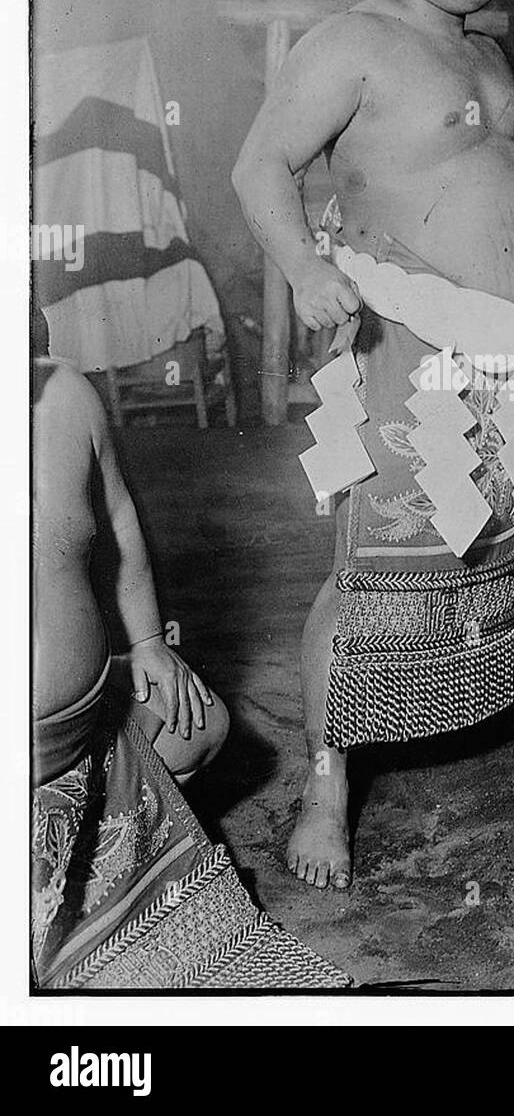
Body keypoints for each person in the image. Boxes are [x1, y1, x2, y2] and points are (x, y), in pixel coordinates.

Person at [231, 0, 514, 888]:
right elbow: (259, 162)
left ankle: (496, 680)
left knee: (496, 533)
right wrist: (305, 266)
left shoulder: (489, 53)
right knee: (372, 563)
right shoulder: (353, 41)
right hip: (411, 335)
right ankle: (324, 784)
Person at [31, 308, 346, 988]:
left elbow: (118, 521)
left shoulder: (64, 395)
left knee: (199, 722)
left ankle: (113, 857)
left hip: (84, 738)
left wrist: (146, 642)